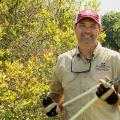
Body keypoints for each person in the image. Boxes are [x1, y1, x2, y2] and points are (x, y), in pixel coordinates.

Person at [42, 9, 120, 120]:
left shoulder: (115, 59)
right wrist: (51, 105)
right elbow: (55, 95)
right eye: (82, 25)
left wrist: (115, 98)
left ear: (100, 30)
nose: (87, 31)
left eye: (92, 26)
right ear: (74, 28)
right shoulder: (63, 60)